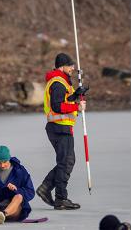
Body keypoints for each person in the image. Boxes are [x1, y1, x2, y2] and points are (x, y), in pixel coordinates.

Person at [36, 53, 88, 210]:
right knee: (65, 162)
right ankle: (60, 198)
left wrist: (75, 95)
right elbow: (57, 106)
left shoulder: (63, 82)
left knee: (67, 161)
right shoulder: (58, 83)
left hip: (63, 127)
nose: (73, 68)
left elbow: (64, 100)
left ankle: (47, 188)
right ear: (62, 66)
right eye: (70, 65)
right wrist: (76, 107)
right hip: (59, 127)